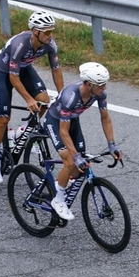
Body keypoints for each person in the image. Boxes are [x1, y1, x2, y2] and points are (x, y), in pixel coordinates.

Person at [0, 11, 64, 182]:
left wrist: (62, 94)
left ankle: (21, 132)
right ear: (36, 31)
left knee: (44, 101)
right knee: (3, 119)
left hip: (24, 68)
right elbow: (13, 77)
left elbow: (56, 70)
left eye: (52, 31)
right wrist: (28, 99)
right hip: (5, 72)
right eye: (47, 32)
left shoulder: (50, 44)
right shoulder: (20, 44)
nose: (51, 35)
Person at [39, 62, 120, 222]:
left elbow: (105, 118)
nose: (104, 88)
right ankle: (58, 200)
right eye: (101, 85)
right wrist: (74, 157)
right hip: (55, 123)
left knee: (81, 165)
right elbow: (63, 132)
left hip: (72, 121)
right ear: (89, 84)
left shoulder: (99, 94)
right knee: (70, 161)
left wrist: (112, 144)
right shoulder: (71, 97)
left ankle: (60, 183)